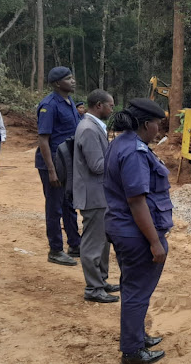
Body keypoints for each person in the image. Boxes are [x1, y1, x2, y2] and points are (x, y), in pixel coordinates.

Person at [104, 98, 170, 364]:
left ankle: (137, 335)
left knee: (133, 287)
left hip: (124, 229)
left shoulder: (121, 143)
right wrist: (155, 242)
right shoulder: (134, 152)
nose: (159, 129)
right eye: (157, 124)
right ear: (146, 124)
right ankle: (132, 351)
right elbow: (136, 200)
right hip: (136, 233)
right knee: (136, 292)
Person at [73, 89, 119, 303]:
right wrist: (120, 159)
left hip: (99, 193)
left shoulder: (93, 126)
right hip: (93, 194)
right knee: (93, 242)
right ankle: (93, 288)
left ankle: (100, 280)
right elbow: (98, 165)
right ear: (99, 105)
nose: (112, 109)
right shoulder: (90, 129)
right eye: (110, 105)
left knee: (103, 241)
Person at [35, 66, 81, 266]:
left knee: (68, 204)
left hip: (68, 162)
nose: (73, 81)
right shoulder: (49, 105)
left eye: (72, 77)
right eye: (68, 78)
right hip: (52, 163)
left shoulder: (69, 102)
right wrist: (52, 171)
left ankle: (74, 244)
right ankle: (55, 249)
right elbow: (43, 139)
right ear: (57, 83)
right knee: (54, 208)